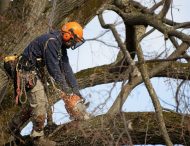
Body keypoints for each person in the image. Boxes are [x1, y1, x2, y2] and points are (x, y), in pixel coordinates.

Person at [6, 21, 90, 146]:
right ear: (68, 35)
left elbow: (66, 68)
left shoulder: (60, 46)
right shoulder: (52, 41)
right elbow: (53, 69)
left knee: (40, 103)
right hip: (27, 72)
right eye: (74, 40)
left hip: (33, 73)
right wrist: (67, 91)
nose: (73, 44)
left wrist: (76, 91)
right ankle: (37, 138)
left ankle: (13, 126)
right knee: (40, 104)